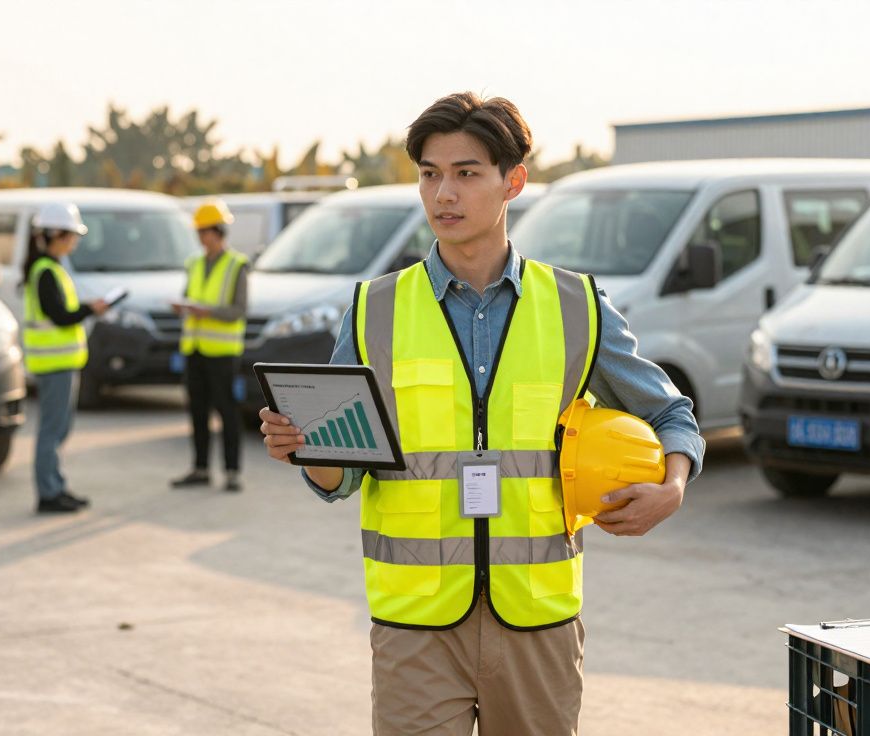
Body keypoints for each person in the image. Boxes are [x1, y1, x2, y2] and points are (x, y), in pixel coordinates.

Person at [259, 93, 705, 735]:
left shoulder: (575, 305)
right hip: (415, 627)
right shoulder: (373, 310)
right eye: (429, 174)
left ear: (512, 182)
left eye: (466, 173)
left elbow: (670, 413)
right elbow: (340, 477)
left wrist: (673, 485)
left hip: (536, 621)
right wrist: (307, 449)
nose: (444, 193)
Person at [22, 201, 108, 514]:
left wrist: (85, 307)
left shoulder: (50, 268)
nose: (74, 241)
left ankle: (55, 486)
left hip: (60, 363)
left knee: (57, 430)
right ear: (55, 234)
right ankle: (49, 492)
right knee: (52, 431)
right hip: (54, 364)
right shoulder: (45, 271)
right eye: (71, 235)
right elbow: (59, 315)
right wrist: (90, 309)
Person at [170, 199, 250, 492]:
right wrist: (184, 308)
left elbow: (239, 310)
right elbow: (189, 295)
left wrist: (209, 312)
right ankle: (200, 468)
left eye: (205, 231)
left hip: (223, 353)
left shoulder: (237, 265)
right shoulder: (193, 264)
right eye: (199, 232)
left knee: (227, 412)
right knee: (197, 411)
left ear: (218, 231)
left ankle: (232, 472)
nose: (201, 237)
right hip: (194, 350)